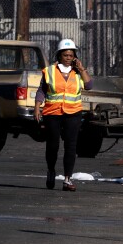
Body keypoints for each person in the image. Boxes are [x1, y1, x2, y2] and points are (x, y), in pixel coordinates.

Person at [35, 38, 92, 191]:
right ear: (59, 55)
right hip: (52, 112)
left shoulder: (78, 71)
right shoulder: (50, 71)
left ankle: (67, 179)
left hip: (73, 112)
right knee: (53, 145)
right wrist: (37, 107)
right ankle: (51, 170)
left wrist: (82, 69)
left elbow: (89, 85)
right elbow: (42, 90)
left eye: (71, 55)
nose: (68, 58)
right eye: (65, 55)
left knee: (71, 146)